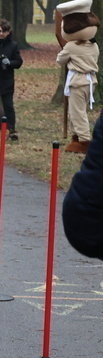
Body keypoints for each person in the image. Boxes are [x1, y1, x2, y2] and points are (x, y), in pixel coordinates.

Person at [55, 0, 99, 154]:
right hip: (90, 81)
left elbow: (60, 60)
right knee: (79, 110)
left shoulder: (71, 46)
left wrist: (64, 50)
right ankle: (77, 138)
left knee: (77, 112)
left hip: (78, 81)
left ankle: (84, 141)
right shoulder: (93, 45)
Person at [63, 111, 103, 260]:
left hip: (84, 211)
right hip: (90, 216)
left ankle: (83, 138)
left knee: (77, 110)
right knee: (76, 110)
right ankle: (82, 139)